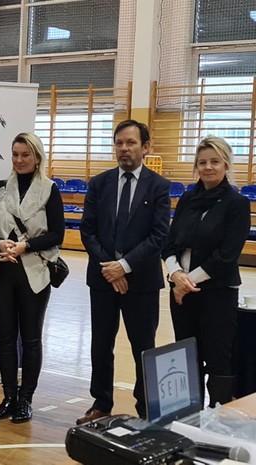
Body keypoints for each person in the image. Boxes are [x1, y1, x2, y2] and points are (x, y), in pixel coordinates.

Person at [77, 120, 171, 425]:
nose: (124, 149)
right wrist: (111, 268)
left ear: (146, 147)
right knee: (101, 344)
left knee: (143, 346)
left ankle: (146, 408)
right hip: (103, 279)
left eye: (131, 143)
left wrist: (125, 266)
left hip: (141, 282)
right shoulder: (99, 183)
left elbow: (159, 236)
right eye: (119, 143)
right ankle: (101, 402)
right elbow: (88, 231)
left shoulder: (159, 186)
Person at [0, 133, 64, 423]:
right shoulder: (0, 189)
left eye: (25, 154)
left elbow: (57, 234)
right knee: (5, 337)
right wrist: (0, 243)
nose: (19, 160)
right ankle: (9, 396)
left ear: (37, 157)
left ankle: (26, 399)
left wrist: (25, 246)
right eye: (15, 154)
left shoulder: (50, 190)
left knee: (31, 338)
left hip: (33, 271)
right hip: (1, 269)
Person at [162, 136, 250, 408]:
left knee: (217, 358)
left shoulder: (237, 203)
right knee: (186, 356)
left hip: (217, 293)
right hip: (182, 291)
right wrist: (176, 275)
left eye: (214, 161)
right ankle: (189, 416)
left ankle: (218, 420)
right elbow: (169, 244)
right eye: (202, 162)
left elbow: (226, 256)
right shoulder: (187, 199)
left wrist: (186, 282)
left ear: (226, 164)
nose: (208, 167)